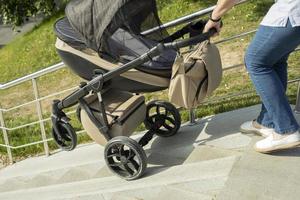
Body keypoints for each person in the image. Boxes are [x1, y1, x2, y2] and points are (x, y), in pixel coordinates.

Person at [204, 0, 300, 153]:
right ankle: (267, 121)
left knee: (256, 62)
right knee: (275, 61)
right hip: (294, 16)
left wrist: (214, 17)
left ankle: (286, 130)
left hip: (290, 14)